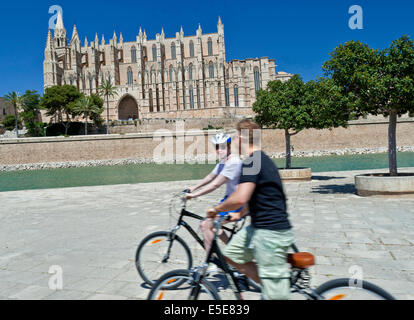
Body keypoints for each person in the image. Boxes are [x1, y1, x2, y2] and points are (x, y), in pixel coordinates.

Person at [206, 119, 295, 300]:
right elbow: (252, 197)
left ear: (240, 138)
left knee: (277, 296)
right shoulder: (261, 159)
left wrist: (217, 209)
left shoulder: (252, 163)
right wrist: (238, 213)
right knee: (231, 254)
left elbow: (240, 197)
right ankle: (268, 284)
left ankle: (273, 288)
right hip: (260, 228)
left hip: (271, 232)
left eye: (235, 136)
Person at [185, 132, 245, 253]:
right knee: (212, 224)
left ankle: (212, 260)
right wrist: (193, 187)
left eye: (222, 146)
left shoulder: (233, 162)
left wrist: (194, 195)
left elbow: (215, 184)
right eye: (217, 147)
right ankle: (230, 252)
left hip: (237, 202)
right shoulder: (223, 162)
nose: (219, 150)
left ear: (228, 146)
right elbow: (210, 177)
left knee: (206, 224)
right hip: (229, 200)